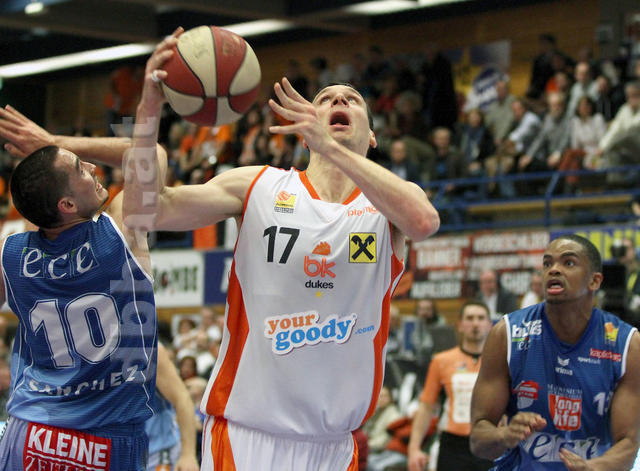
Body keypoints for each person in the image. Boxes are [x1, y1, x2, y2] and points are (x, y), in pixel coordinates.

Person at [124, 38, 440, 469]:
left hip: (333, 445)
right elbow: (145, 210)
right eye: (324, 99)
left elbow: (424, 222)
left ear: (372, 135)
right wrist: (147, 110)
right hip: (248, 435)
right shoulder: (259, 185)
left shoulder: (390, 205)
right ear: (305, 132)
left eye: (352, 99)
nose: (339, 100)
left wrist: (332, 148)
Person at [0, 32, 184, 470]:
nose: (92, 167)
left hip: (32, 433)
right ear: (66, 204)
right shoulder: (119, 232)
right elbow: (151, 157)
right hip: (105, 440)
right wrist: (148, 100)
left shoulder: (12, 252)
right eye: (81, 170)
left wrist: (53, 154)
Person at [469, 234, 640, 470]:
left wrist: (592, 468)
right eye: (547, 263)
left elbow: (628, 444)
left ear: (594, 281)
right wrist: (505, 435)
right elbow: (478, 439)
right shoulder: (507, 333)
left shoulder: (626, 344)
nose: (554, 270)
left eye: (568, 262)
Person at [407, 301, 494, 471]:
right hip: (453, 446)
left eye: (480, 318)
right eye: (470, 318)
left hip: (490, 444)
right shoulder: (441, 361)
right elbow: (426, 407)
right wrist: (413, 449)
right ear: (460, 325)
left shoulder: (501, 361)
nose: (475, 323)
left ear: (489, 325)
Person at [145, 343, 199, 471]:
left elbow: (182, 399)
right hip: (121, 451)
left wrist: (188, 454)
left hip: (158, 451)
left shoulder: (149, 348)